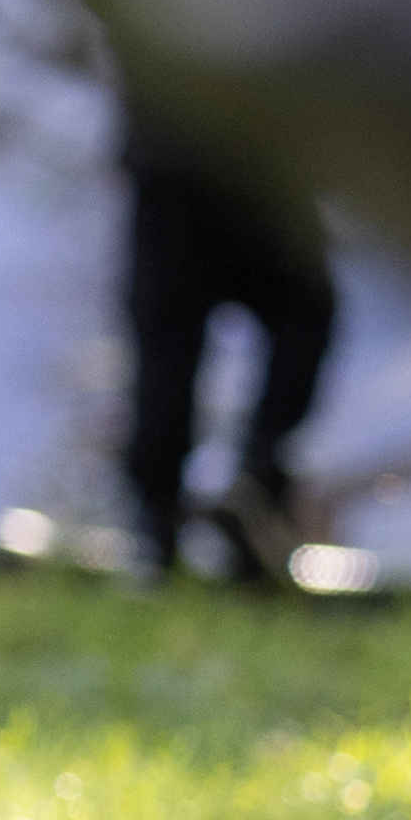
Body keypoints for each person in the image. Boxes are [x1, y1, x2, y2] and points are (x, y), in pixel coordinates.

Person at [115, 104, 337, 580]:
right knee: (165, 364)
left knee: (308, 319)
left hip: (266, 182)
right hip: (172, 179)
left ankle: (255, 493)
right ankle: (154, 533)